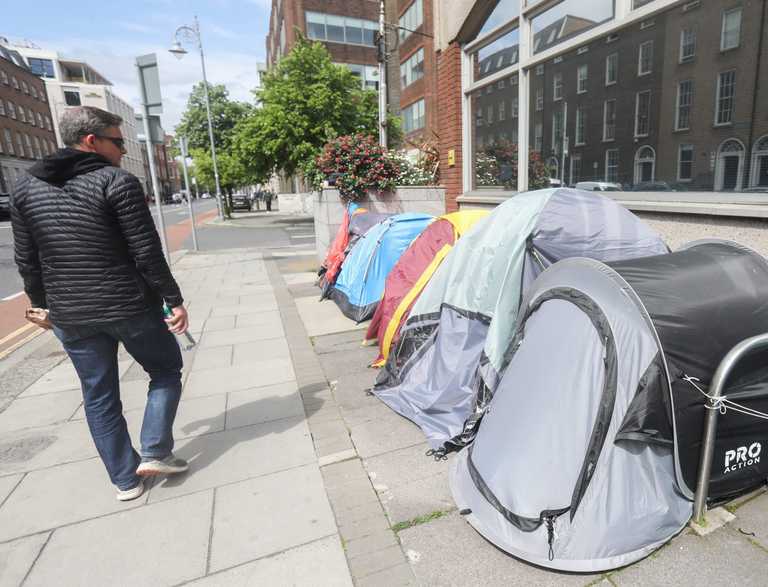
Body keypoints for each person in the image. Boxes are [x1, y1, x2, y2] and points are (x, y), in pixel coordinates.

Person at [10, 106, 190, 501]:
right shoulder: (116, 181)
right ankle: (155, 451)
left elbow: (27, 259)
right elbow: (146, 252)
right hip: (129, 305)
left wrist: (43, 305)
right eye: (118, 141)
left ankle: (126, 481)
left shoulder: (24, 187)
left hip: (70, 314)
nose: (123, 150)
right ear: (91, 141)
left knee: (98, 394)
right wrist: (173, 300)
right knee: (165, 370)